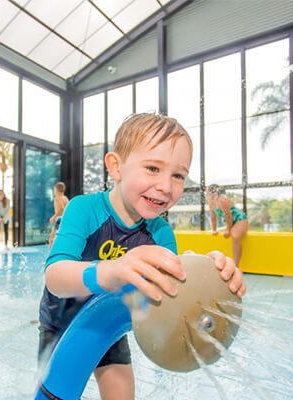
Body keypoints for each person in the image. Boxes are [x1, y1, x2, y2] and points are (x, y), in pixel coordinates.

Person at [39, 113, 247, 400]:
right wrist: (112, 270)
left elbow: (165, 299)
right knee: (56, 391)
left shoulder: (161, 234)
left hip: (107, 327)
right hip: (60, 323)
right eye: (152, 168)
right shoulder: (83, 209)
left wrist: (209, 274)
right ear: (116, 167)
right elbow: (55, 277)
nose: (166, 186)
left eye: (178, 175)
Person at [206, 184, 249, 268]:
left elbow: (228, 216)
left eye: (207, 192)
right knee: (233, 234)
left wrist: (228, 229)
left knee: (235, 236)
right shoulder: (211, 201)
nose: (206, 193)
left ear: (214, 192)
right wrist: (214, 229)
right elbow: (213, 216)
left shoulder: (222, 200)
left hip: (240, 219)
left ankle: (236, 266)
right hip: (232, 221)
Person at [48, 182, 69, 249]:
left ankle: (51, 258)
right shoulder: (65, 198)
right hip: (65, 220)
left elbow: (60, 209)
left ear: (57, 190)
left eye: (54, 189)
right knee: (61, 239)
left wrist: (53, 217)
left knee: (51, 239)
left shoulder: (57, 198)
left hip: (59, 220)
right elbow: (67, 209)